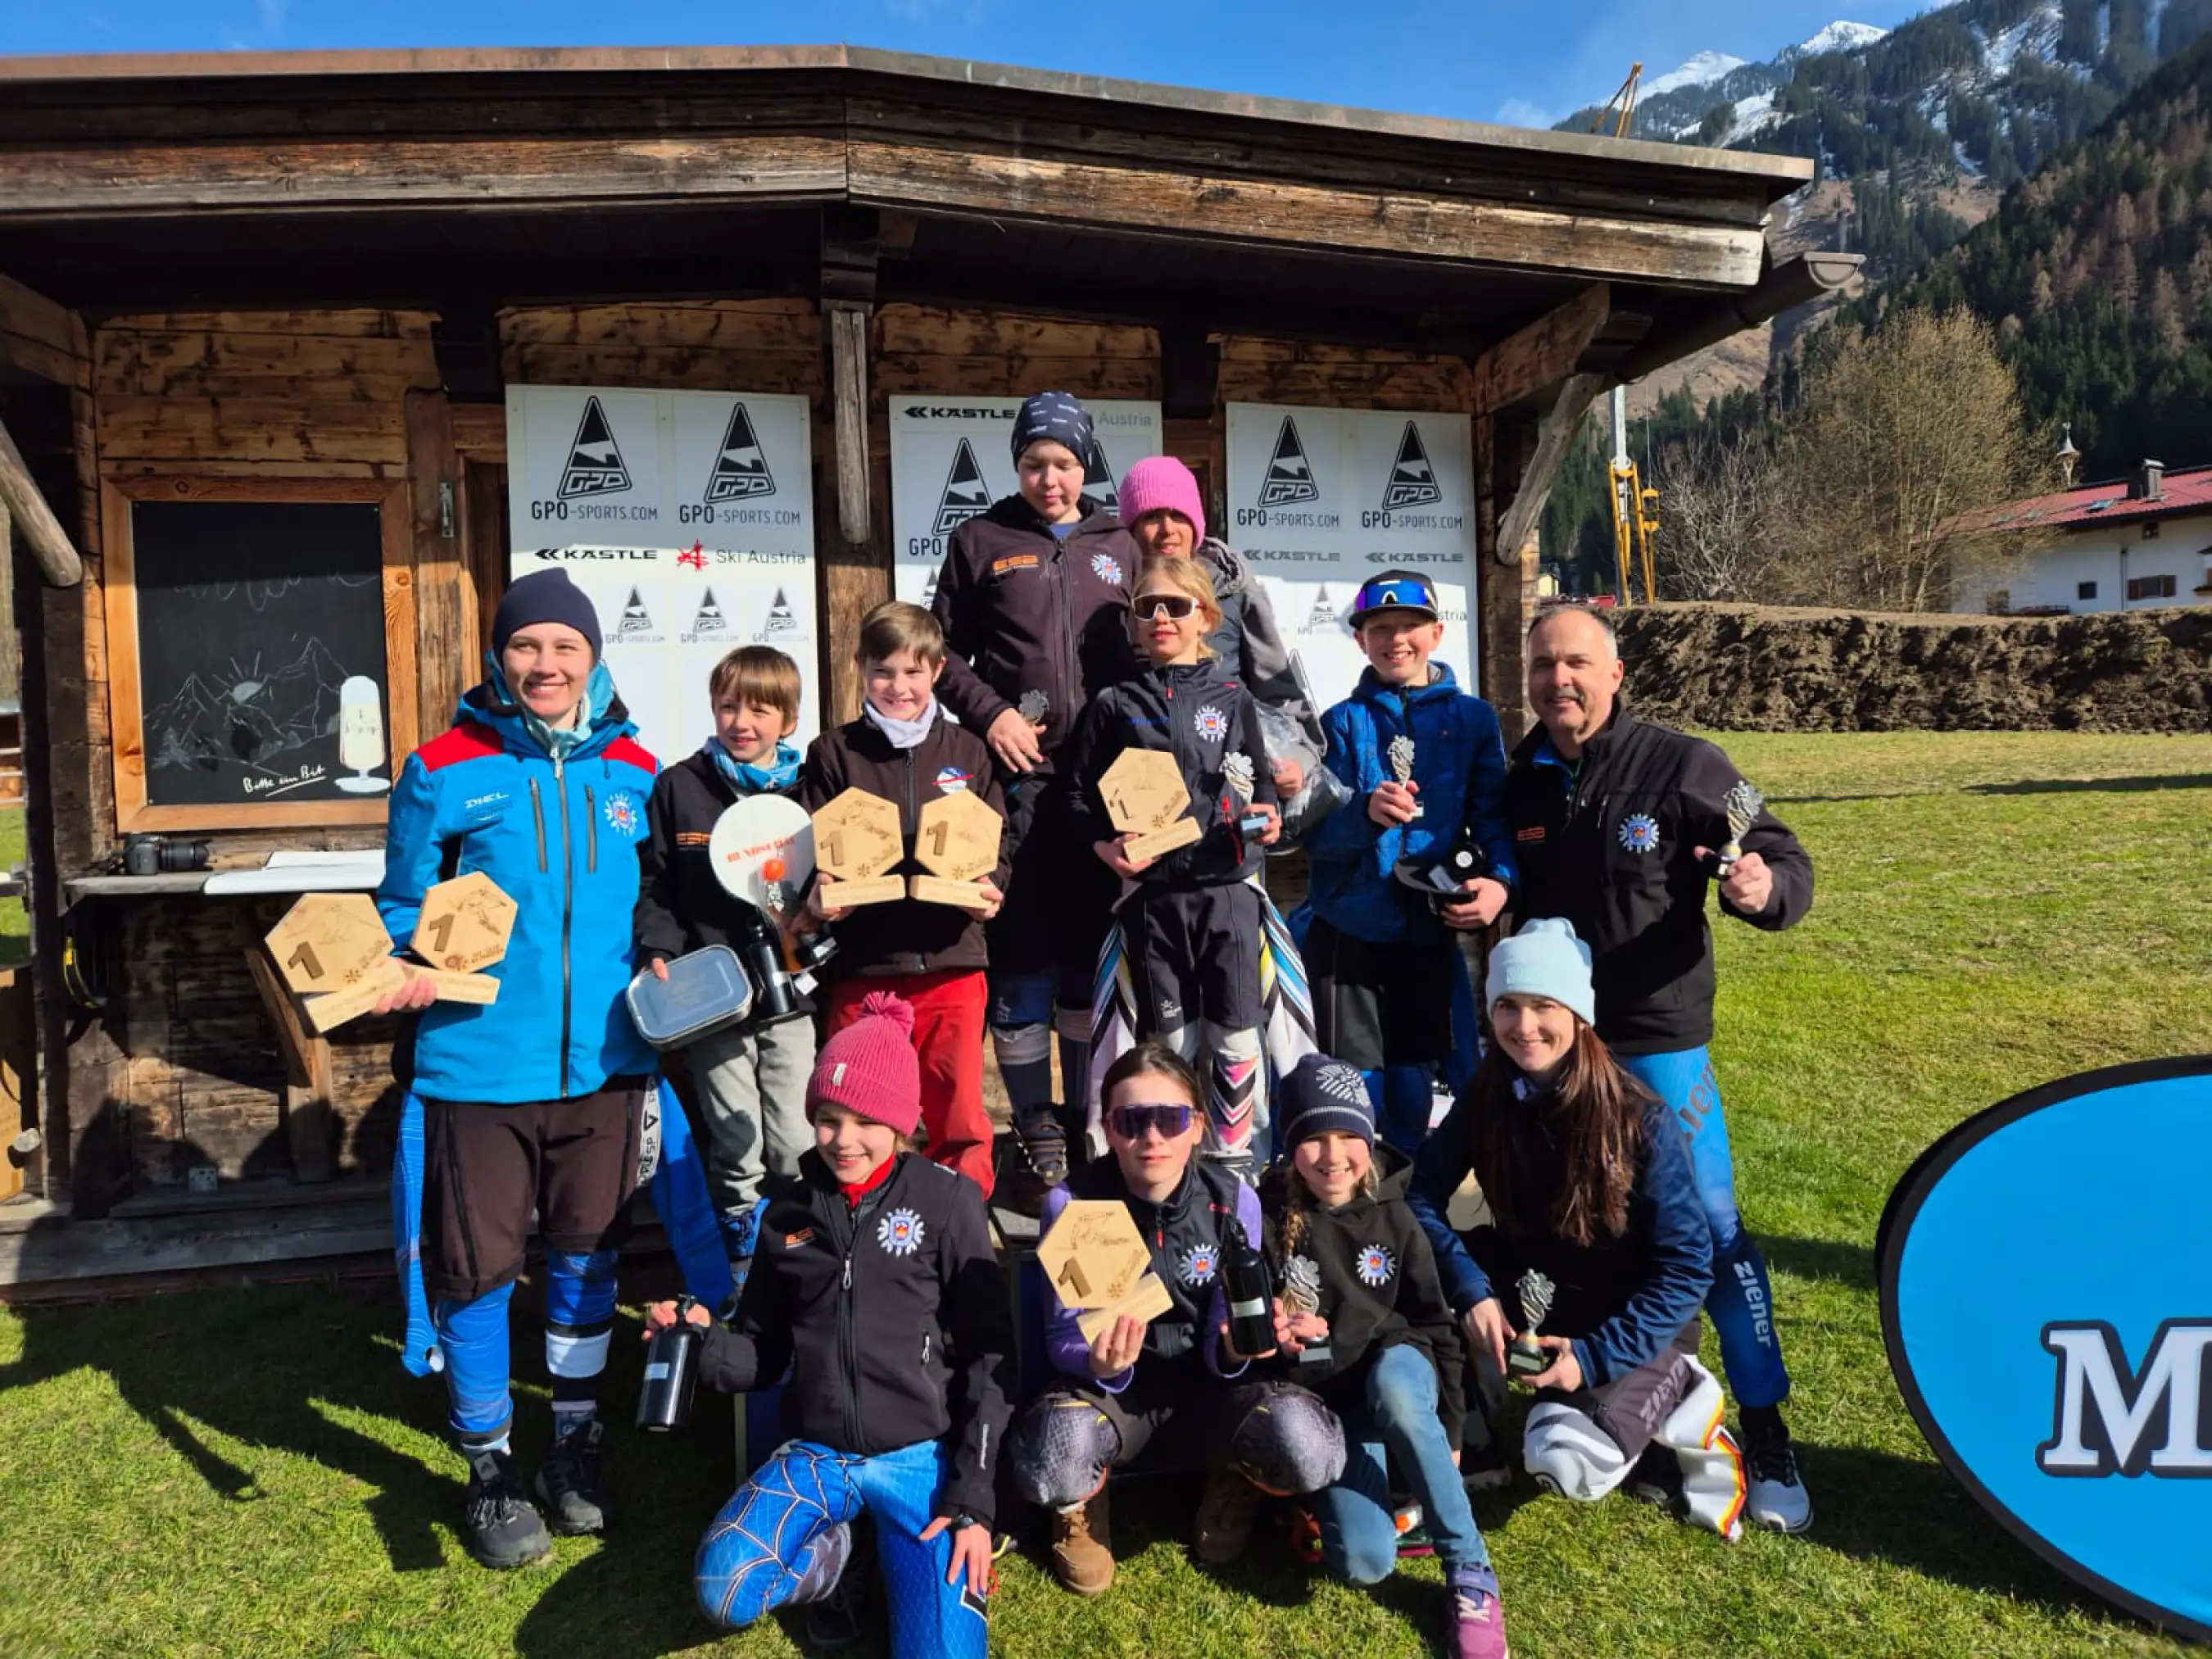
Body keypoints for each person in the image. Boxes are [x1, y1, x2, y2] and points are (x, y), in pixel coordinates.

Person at [1505, 605, 1815, 1534]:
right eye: (1542, 666)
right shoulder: (1524, 778)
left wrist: (1764, 888)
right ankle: (1642, 1402)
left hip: (1657, 1041)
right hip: (1562, 1045)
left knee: (1711, 1233)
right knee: (1594, 1233)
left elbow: (1775, 847)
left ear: (1616, 671)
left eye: (1576, 664)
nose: (1559, 680)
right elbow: (1513, 889)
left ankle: (1765, 1427)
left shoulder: (1684, 764)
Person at [374, 567, 660, 1568]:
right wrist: (408, 960)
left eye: (565, 647)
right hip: (478, 1066)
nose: (546, 663)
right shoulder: (443, 766)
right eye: (528, 646)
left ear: (592, 658)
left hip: (609, 1068)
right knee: (479, 1270)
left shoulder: (637, 770)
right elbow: (400, 903)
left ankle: (573, 1440)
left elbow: (659, 906)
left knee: (588, 1260)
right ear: (500, 655)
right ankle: (490, 1460)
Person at [650, 990, 1014, 1659]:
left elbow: (993, 1358)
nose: (844, 1138)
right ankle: (837, 1559)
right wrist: (698, 1343)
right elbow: (762, 1353)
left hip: (919, 1461)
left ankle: (892, 1552)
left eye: (866, 1119)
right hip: (818, 1454)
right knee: (723, 1586)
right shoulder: (785, 1216)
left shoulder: (949, 1201)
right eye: (827, 1117)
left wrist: (974, 1501)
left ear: (901, 1123)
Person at [1407, 919, 1747, 1538]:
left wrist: (1593, 1357)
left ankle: (1687, 1396)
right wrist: (1470, 1291)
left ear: (1580, 1014)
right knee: (1410, 1268)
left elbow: (1688, 1267)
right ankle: (1474, 1431)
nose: (1524, 1025)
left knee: (1563, 1459)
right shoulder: (1486, 1090)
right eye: (1507, 1005)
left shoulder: (1640, 1117)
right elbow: (1421, 1198)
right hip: (1534, 1290)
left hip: (1626, 1316)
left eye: (1544, 1005)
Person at [1006, 1041, 1344, 1595]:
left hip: (1209, 1390)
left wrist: (1236, 1349)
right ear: (1109, 1129)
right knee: (1050, 1460)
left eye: (1170, 1118)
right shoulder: (1072, 1203)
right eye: (1132, 1120)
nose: (1152, 1136)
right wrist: (1099, 1360)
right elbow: (1061, 1336)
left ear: (1197, 1126)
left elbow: (1229, 1328)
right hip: (1112, 1396)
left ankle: (1234, 1475)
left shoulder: (1234, 1198)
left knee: (1310, 1446)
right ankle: (1082, 1500)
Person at [930, 391, 1140, 1162]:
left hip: (1102, 785)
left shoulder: (1119, 540)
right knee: (1020, 950)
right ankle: (1034, 1122)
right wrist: (992, 717)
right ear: (1016, 464)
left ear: (1084, 464)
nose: (1048, 478)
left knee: (1088, 953)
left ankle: (1086, 1115)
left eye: (1062, 463)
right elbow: (939, 654)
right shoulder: (980, 538)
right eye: (1032, 463)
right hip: (1015, 775)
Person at [1259, 1054, 1508, 1659]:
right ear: (1290, 1146)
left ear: (1369, 1139)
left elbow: (1437, 1325)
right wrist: (1281, 1337)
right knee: (1364, 1561)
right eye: (1312, 1139)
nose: (1332, 1155)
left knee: (1398, 1393)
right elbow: (1258, 1349)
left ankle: (1470, 1572)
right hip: (1332, 1402)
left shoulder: (1395, 1214)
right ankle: (1389, 1493)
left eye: (1348, 1135)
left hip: (1400, 1364)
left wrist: (1450, 1426)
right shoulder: (1265, 1220)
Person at [1064, 556, 1281, 1169]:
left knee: (1237, 1040)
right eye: (1146, 607)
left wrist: (1267, 819)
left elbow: (1259, 781)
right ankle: (1176, 1174)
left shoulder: (1235, 697)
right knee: (1171, 1045)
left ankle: (1240, 1175)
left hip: (1228, 896)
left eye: (1176, 606)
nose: (1160, 617)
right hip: (1155, 902)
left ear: (1205, 617)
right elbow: (1078, 797)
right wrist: (1107, 848)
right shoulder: (1114, 703)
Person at [1302, 569, 1517, 1152]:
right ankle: (1357, 1204)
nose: (1397, 640)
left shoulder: (1473, 720)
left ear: (1438, 634)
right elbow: (1312, 835)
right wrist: (1363, 815)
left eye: (1410, 627)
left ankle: (1411, 1201)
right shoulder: (1339, 724)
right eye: (1381, 628)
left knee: (1416, 1081)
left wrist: (1500, 882)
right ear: (1360, 640)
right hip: (1352, 931)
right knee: (1356, 1085)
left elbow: (1495, 816)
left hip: (1428, 930)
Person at [800, 601, 1008, 1199]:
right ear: (861, 668)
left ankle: (964, 1244)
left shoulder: (968, 752)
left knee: (960, 1118)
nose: (899, 687)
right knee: (855, 1114)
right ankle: (860, 1250)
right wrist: (820, 894)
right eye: (884, 672)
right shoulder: (835, 753)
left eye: (913, 672)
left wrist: (994, 887)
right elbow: (816, 847)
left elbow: (996, 839)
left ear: (938, 671)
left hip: (953, 965)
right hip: (867, 968)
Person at [633, 644, 816, 1267]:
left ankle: (799, 1242)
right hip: (712, 994)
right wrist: (659, 946)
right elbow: (655, 882)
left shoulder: (807, 787)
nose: (743, 721)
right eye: (729, 706)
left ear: (788, 720)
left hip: (793, 992)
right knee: (736, 1137)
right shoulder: (680, 787)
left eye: (761, 710)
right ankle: (742, 1254)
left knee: (794, 1135)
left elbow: (832, 875)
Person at [1116, 453, 1323, 796]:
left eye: (1178, 516)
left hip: (1226, 797)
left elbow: (1279, 692)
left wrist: (1297, 759)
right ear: (1132, 528)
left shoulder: (1233, 589)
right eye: (1152, 516)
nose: (1168, 529)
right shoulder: (1112, 594)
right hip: (1139, 797)